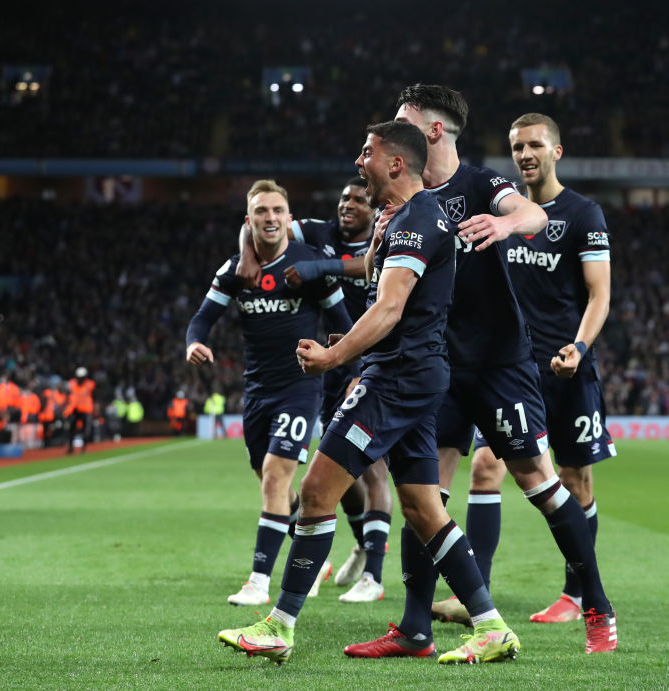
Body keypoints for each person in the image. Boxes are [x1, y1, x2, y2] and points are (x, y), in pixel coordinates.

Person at [218, 120, 519, 666]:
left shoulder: (415, 220)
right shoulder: (408, 217)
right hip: (416, 373)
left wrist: (336, 357)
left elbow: (389, 308)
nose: (359, 161)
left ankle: (279, 625)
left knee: (314, 492)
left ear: (396, 163)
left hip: (397, 378)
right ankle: (490, 626)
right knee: (424, 509)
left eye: (367, 153)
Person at [371, 85, 617, 655]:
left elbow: (530, 212)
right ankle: (414, 628)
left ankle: (598, 606)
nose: (393, 128)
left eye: (403, 120)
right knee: (422, 493)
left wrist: (505, 226)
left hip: (501, 365)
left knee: (539, 481)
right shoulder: (407, 198)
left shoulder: (482, 184)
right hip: (438, 366)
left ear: (432, 131)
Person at [455, 113, 617, 627]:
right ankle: (472, 594)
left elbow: (600, 294)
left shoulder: (583, 214)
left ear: (557, 151)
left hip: (567, 367)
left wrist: (578, 347)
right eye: (517, 146)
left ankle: (576, 594)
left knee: (575, 479)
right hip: (510, 369)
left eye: (534, 145)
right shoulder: (501, 212)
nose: (525, 154)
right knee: (485, 467)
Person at [186, 179, 352, 608]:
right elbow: (202, 319)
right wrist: (193, 343)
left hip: (300, 387)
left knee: (276, 479)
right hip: (256, 391)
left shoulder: (309, 266)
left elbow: (344, 324)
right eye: (262, 211)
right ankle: (313, 557)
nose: (271, 218)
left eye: (278, 210)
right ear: (250, 220)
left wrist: (343, 365)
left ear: (289, 218)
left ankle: (259, 581)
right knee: (271, 485)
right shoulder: (234, 271)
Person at [282, 178, 393, 603]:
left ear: (375, 209)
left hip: (372, 364)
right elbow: (260, 225)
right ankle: (364, 548)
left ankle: (375, 577)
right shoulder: (319, 231)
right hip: (329, 366)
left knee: (373, 468)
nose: (349, 204)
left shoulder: (385, 239)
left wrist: (320, 267)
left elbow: (365, 264)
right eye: (344, 197)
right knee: (338, 469)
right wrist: (248, 257)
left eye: (359, 199)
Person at [64, 367, 95, 453]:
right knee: (72, 428)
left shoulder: (90, 384)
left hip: (86, 410)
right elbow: (67, 395)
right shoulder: (72, 383)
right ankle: (70, 447)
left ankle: (84, 447)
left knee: (86, 430)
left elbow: (95, 395)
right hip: (75, 409)